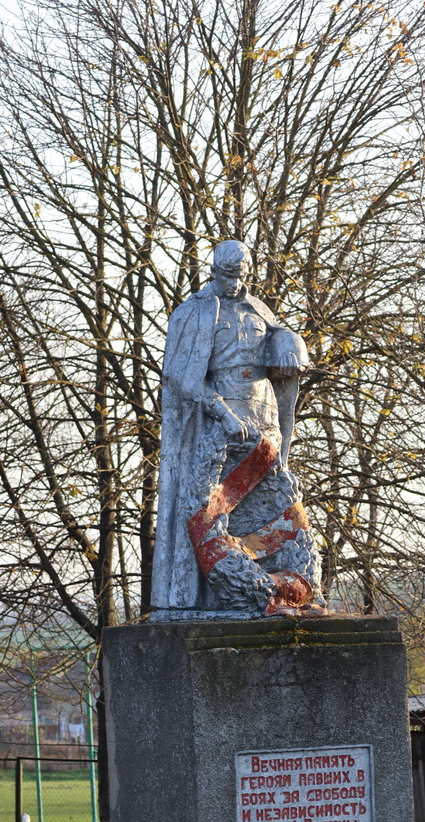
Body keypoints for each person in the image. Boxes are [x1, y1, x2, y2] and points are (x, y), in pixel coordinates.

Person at [151, 239, 326, 617]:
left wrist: (290, 350)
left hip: (264, 421)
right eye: (227, 274)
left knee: (274, 508)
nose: (233, 282)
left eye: (240, 274)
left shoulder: (260, 310)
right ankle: (235, 594)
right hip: (218, 426)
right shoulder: (194, 312)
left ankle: (290, 589)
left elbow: (278, 361)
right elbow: (181, 375)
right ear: (214, 271)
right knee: (214, 508)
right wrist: (223, 413)